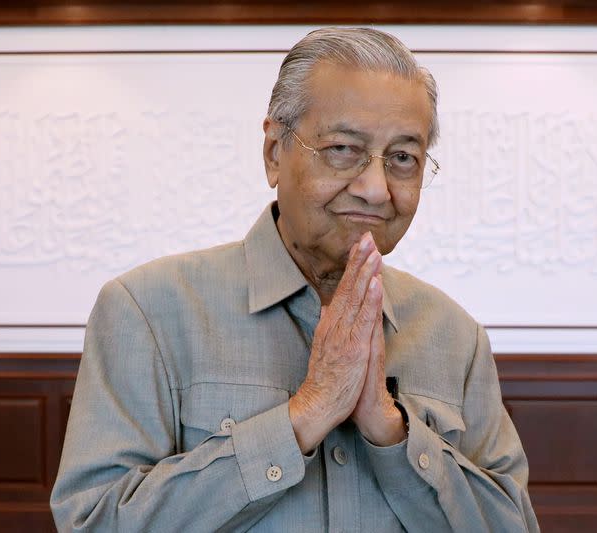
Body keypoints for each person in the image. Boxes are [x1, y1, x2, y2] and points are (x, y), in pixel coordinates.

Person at [50, 27, 539, 532]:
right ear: (273, 152)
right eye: (344, 149)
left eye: (402, 158)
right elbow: (93, 522)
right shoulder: (146, 311)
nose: (376, 189)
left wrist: (391, 430)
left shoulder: (457, 338)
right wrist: (305, 415)